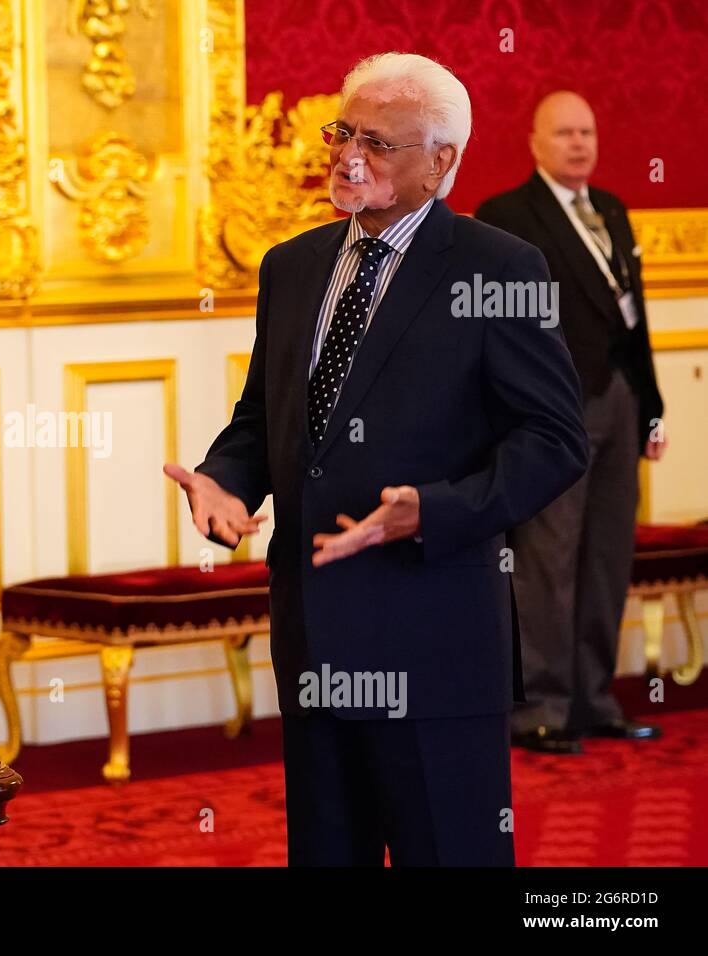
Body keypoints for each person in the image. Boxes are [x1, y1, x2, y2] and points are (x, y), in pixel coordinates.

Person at [165, 53, 587, 865]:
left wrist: (437, 509)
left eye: (380, 144)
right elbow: (264, 415)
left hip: (433, 642)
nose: (349, 158)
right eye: (344, 133)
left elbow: (555, 441)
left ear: (442, 162)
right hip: (315, 641)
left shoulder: (499, 268)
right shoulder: (292, 266)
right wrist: (224, 479)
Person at [477, 91, 665, 755]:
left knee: (608, 557)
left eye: (587, 131)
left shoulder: (611, 208)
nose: (579, 143)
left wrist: (654, 406)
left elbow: (633, 316)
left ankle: (593, 700)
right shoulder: (507, 216)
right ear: (534, 142)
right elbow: (495, 326)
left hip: (620, 400)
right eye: (564, 133)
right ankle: (540, 711)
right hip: (551, 409)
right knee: (547, 561)